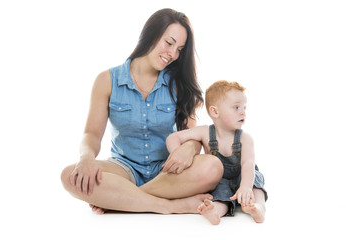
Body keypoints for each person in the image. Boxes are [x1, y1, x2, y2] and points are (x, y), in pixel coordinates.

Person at [61, 8, 224, 215]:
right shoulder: (107, 80)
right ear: (150, 35)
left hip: (167, 172)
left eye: (180, 49)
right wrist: (86, 157)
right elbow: (91, 134)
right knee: (69, 175)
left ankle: (125, 200)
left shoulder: (179, 84)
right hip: (123, 169)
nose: (173, 55)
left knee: (213, 166)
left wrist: (189, 148)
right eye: (169, 43)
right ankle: (169, 205)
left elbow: (192, 135)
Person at [166, 80, 268, 225]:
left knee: (256, 184)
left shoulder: (245, 138)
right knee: (219, 194)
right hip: (220, 180)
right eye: (236, 107)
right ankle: (215, 211)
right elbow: (173, 137)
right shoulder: (205, 132)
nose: (242, 112)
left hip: (244, 176)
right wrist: (177, 154)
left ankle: (258, 208)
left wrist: (245, 186)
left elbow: (248, 163)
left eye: (244, 107)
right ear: (215, 111)